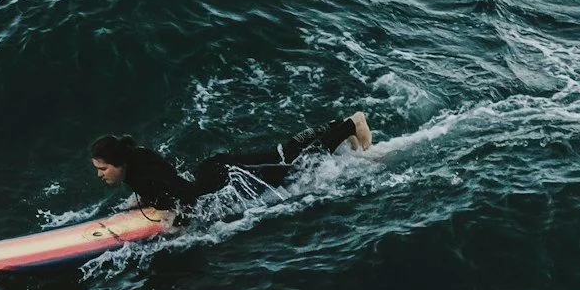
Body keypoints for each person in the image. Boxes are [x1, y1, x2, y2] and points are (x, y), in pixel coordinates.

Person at [90, 112, 370, 214]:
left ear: (119, 163)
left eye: (103, 169)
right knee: (281, 153)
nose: (100, 175)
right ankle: (340, 125)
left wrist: (178, 224)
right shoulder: (134, 166)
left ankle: (350, 125)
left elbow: (186, 197)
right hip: (215, 169)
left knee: (293, 168)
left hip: (231, 176)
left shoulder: (144, 173)